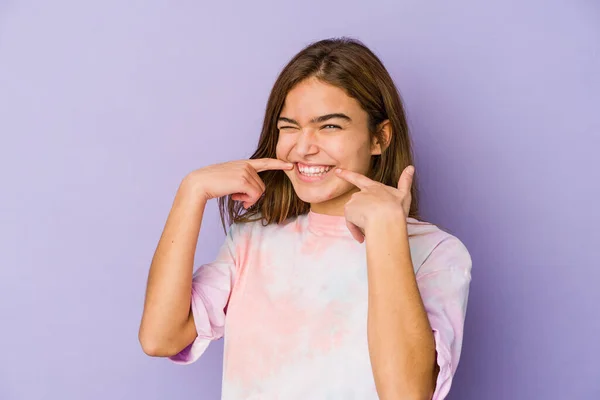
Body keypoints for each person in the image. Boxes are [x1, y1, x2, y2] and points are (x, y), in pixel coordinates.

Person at [139, 37, 472, 399]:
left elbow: (406, 395)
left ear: (380, 138)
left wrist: (386, 229)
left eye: (330, 126)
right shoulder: (253, 240)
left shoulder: (438, 253)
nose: (304, 147)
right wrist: (192, 191)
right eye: (289, 126)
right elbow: (160, 338)